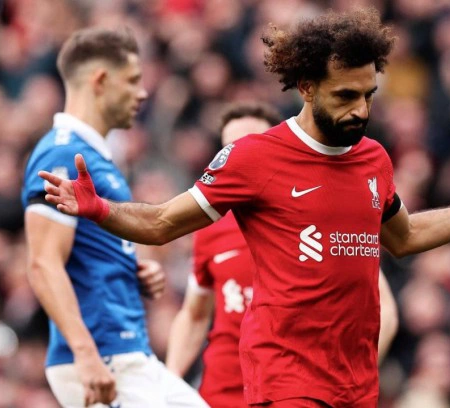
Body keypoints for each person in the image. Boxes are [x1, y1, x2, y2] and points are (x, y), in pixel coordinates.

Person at [40, 8, 450, 408]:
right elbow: (161, 223)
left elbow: (406, 238)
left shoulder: (374, 159)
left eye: (368, 95)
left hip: (355, 378)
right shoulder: (254, 158)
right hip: (286, 375)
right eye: (345, 96)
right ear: (308, 87)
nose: (361, 110)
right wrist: (101, 209)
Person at [165, 102, 400, 407]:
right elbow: (194, 313)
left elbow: (386, 311)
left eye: (251, 144)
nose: (240, 156)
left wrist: (347, 383)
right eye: (230, 147)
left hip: (295, 388)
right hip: (222, 393)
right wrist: (170, 379)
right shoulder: (210, 228)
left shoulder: (319, 214)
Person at [22, 27, 207, 408]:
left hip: (128, 352)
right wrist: (85, 355)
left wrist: (128, 268)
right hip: (102, 357)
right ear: (101, 80)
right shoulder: (62, 154)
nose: (142, 93)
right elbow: (43, 263)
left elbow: (80, 250)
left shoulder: (95, 155)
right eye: (133, 80)